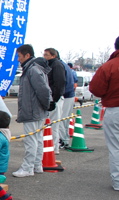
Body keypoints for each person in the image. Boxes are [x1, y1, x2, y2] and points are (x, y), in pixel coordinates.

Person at [13, 44, 52, 178]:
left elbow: (43, 90)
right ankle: (37, 165)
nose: (18, 59)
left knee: (31, 140)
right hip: (37, 110)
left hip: (32, 111)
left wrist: (47, 103)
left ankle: (28, 167)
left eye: (19, 56)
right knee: (37, 139)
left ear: (27, 55)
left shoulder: (32, 69)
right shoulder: (34, 68)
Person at [89, 36, 119, 191]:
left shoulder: (109, 66)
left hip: (115, 109)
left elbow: (95, 88)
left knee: (115, 147)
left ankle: (118, 181)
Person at [43, 48, 66, 154]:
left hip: (54, 98)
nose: (44, 56)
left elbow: (60, 82)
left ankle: (54, 148)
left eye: (46, 54)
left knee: (53, 125)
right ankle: (52, 147)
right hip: (52, 98)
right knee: (51, 124)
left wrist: (54, 99)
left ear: (53, 56)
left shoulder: (56, 65)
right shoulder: (50, 65)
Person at [59, 59, 77, 149]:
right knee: (65, 119)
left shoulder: (59, 66)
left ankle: (63, 141)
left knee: (61, 119)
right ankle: (64, 140)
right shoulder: (66, 67)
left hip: (65, 96)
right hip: (70, 95)